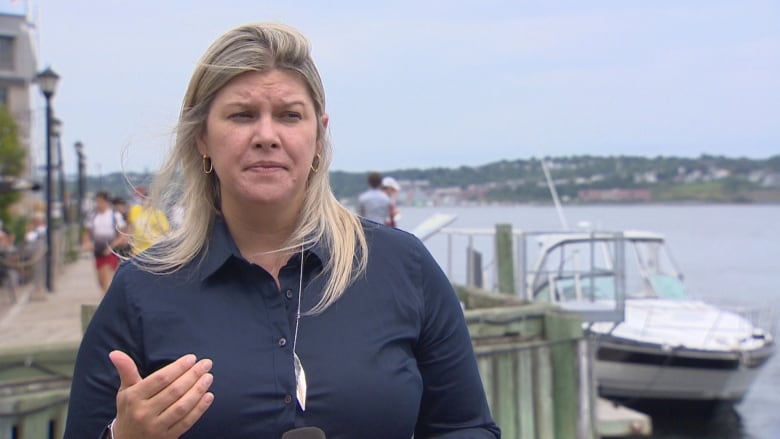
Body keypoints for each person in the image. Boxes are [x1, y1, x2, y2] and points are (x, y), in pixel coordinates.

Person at [65, 23, 500, 439]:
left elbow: (465, 425)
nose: (266, 135)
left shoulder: (401, 266)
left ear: (319, 135)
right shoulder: (144, 289)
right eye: (242, 115)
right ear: (202, 138)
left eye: (290, 115)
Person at [81, 191, 128, 293]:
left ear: (107, 202)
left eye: (101, 202)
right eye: (97, 202)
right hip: (98, 250)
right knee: (100, 281)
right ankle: (109, 295)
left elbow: (122, 235)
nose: (99, 204)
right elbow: (87, 233)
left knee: (105, 275)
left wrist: (110, 247)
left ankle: (107, 301)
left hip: (112, 250)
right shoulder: (93, 216)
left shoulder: (115, 216)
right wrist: (87, 243)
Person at [126, 186, 171, 255]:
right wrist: (129, 241)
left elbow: (166, 232)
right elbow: (130, 226)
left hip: (152, 251)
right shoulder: (135, 210)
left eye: (149, 200)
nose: (146, 202)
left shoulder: (158, 214)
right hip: (136, 251)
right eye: (144, 199)